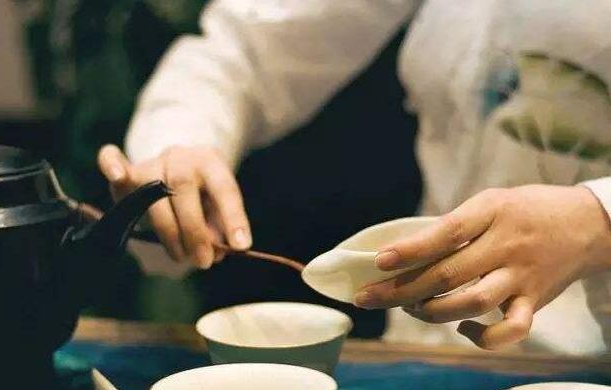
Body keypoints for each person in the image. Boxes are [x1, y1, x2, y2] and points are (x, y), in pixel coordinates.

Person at [98, 0, 611, 354]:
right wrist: (179, 145)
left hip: (584, 370)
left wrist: (596, 220)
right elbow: (248, 48)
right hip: (424, 352)